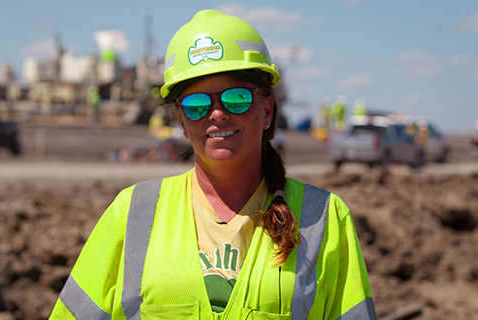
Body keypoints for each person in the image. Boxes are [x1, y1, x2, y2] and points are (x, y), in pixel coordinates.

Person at [49, 9, 376, 320]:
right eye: (196, 104)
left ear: (266, 111)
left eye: (236, 98)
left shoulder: (324, 219)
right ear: (181, 120)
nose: (217, 113)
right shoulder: (133, 214)